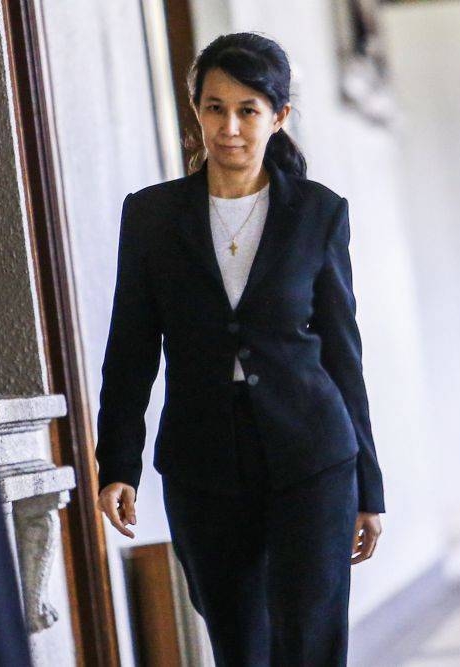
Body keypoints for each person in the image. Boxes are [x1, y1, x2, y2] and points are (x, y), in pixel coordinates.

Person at [95, 32, 385, 666]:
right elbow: (132, 347)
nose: (229, 127)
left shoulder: (317, 214)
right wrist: (117, 461)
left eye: (248, 110)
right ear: (196, 111)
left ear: (277, 118)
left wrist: (369, 484)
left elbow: (343, 354)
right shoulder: (151, 217)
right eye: (214, 107)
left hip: (312, 457)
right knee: (239, 646)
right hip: (203, 466)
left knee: (308, 641)